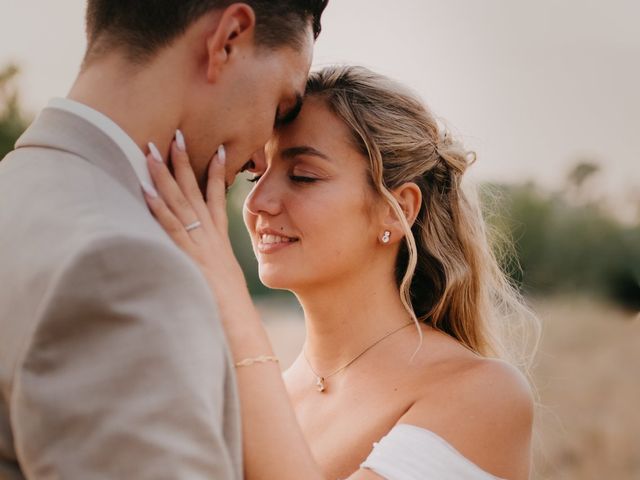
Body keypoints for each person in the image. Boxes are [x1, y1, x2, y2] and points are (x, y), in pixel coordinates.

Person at [145, 65, 539, 480]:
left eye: (302, 177)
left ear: (396, 209)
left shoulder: (480, 394)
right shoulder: (254, 398)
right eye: (255, 175)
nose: (257, 202)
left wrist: (230, 306)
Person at [0, 1, 327, 478]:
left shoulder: (17, 187)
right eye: (281, 104)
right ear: (228, 39)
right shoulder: (121, 264)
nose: (259, 160)